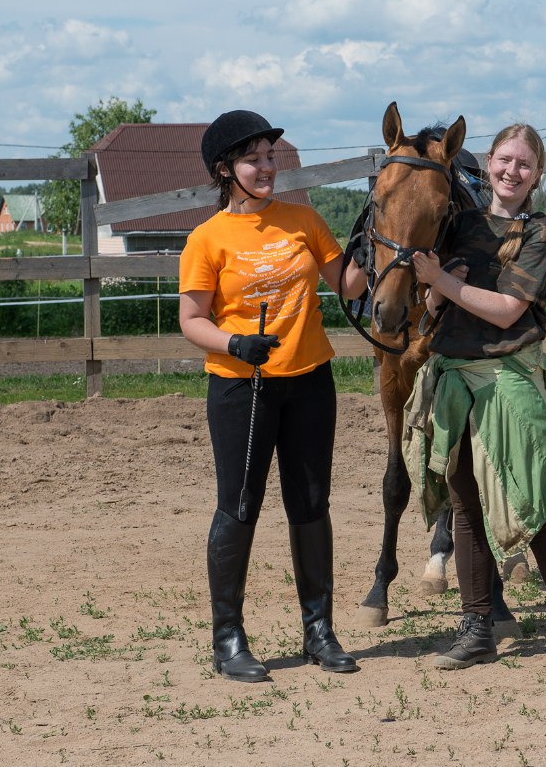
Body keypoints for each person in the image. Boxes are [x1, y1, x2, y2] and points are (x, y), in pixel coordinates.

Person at [179, 110, 368, 681]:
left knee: (311, 503)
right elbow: (191, 320)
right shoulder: (206, 238)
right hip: (242, 386)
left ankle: (319, 632)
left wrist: (373, 237)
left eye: (270, 156)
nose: (266, 167)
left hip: (310, 380)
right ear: (224, 169)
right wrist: (235, 342)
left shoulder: (303, 220)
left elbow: (349, 287)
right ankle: (228, 639)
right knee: (240, 505)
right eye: (253, 159)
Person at [408, 123, 546, 677]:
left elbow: (508, 312)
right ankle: (477, 629)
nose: (512, 171)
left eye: (524, 164)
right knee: (465, 507)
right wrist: (434, 291)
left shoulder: (539, 233)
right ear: (488, 162)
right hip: (454, 375)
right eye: (504, 160)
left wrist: (442, 281)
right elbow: (432, 306)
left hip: (506, 378)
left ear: (537, 175)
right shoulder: (459, 225)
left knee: (531, 504)